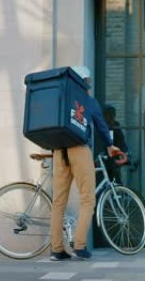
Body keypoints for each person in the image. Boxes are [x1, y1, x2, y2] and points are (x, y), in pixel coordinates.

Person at [50, 66, 120, 261]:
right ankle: (79, 246)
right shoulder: (88, 101)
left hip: (58, 149)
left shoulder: (61, 98)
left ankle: (56, 249)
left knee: (58, 202)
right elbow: (102, 127)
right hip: (79, 149)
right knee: (88, 198)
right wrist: (110, 146)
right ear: (86, 82)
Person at [101, 104, 129, 184]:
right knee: (102, 179)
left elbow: (121, 140)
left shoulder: (116, 125)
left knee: (115, 179)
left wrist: (125, 151)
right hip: (102, 157)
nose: (111, 116)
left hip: (113, 157)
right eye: (109, 114)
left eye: (112, 114)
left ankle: (117, 194)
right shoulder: (101, 125)